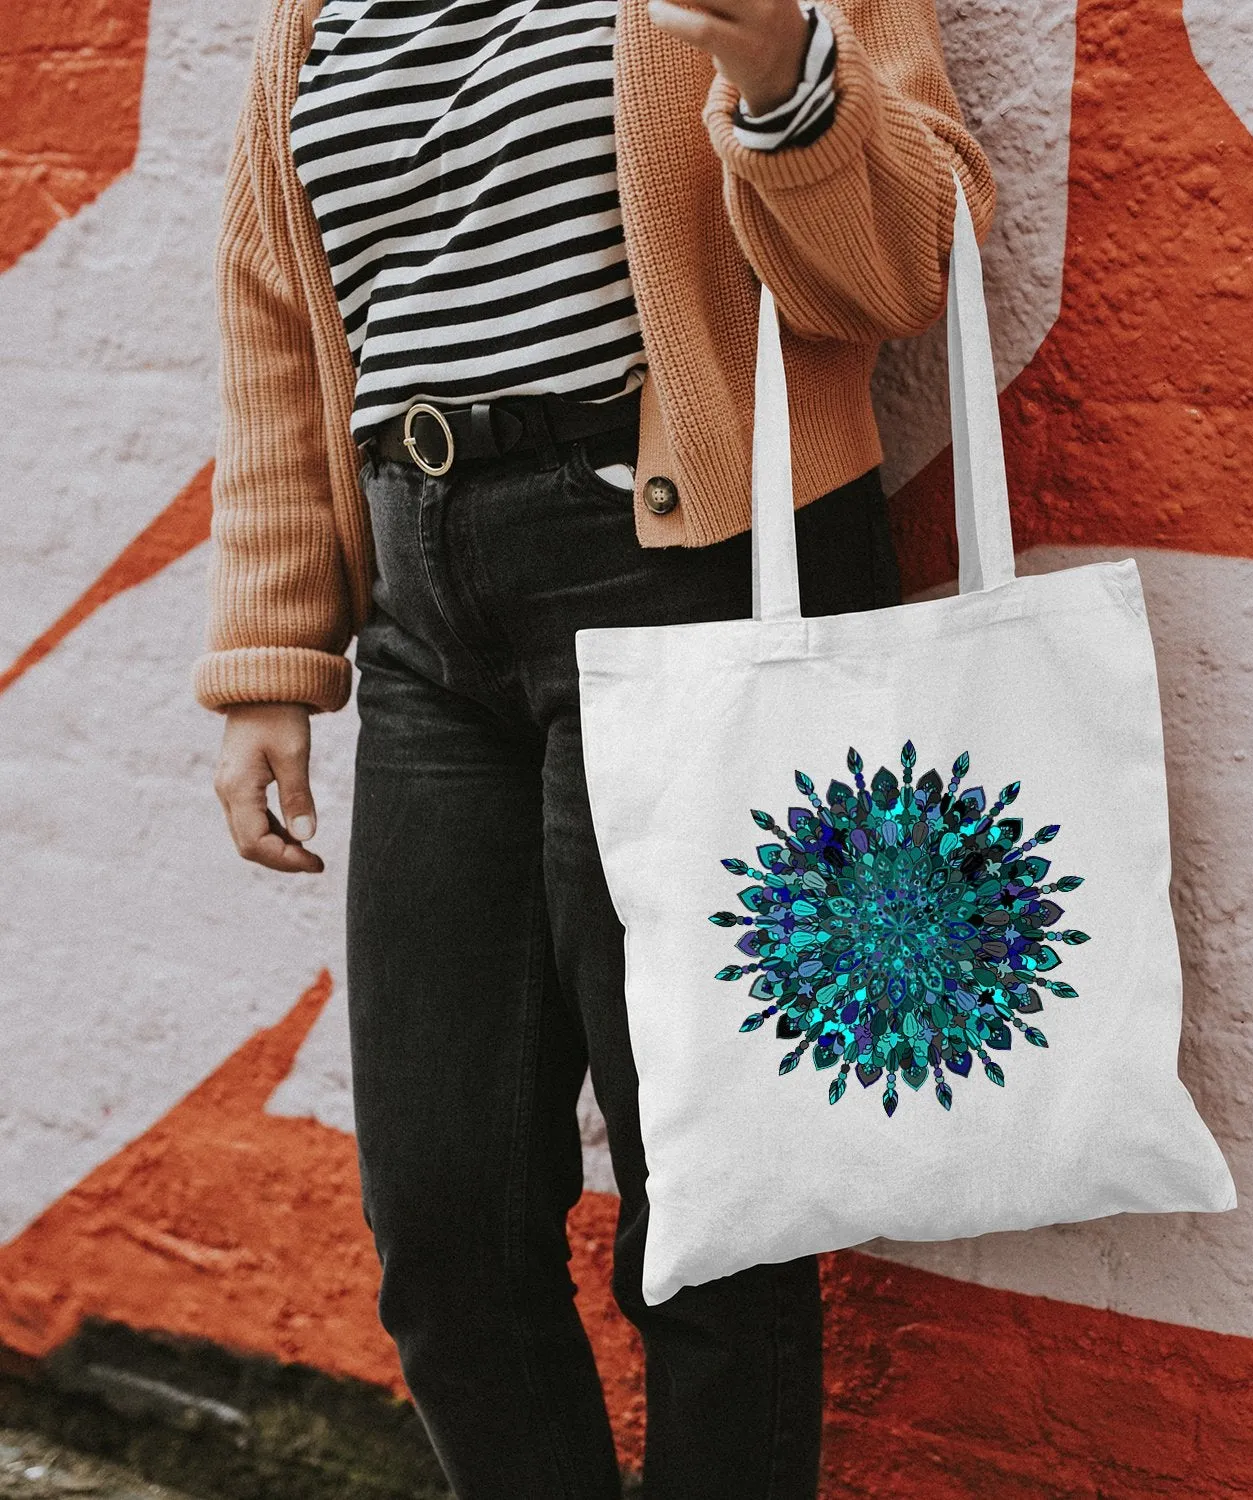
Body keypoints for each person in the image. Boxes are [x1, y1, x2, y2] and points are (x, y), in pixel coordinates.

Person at [197, 0, 994, 1492]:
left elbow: (904, 264)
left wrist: (782, 74)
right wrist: (269, 652)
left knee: (708, 1217)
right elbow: (274, 316)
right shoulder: (311, 12)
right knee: (444, 1232)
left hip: (693, 575)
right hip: (426, 615)